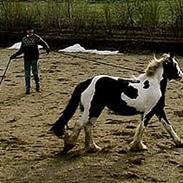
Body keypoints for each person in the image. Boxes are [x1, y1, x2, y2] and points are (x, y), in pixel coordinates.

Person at [10, 26, 50, 95]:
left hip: (35, 58)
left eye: (31, 30)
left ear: (33, 31)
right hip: (26, 59)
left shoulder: (36, 38)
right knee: (27, 75)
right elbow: (21, 50)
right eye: (28, 30)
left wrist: (47, 48)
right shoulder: (24, 39)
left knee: (35, 73)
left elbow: (43, 43)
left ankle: (37, 85)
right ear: (27, 31)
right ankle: (27, 89)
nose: (29, 32)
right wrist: (14, 55)